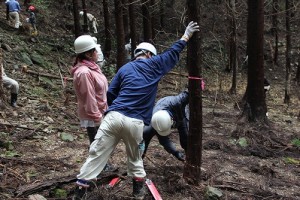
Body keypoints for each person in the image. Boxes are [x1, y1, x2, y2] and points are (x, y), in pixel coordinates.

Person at [74, 21, 199, 200]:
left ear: (137, 54)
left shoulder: (125, 68)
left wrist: (109, 110)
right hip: (135, 123)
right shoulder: (154, 64)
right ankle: (138, 194)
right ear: (149, 54)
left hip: (113, 117)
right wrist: (186, 36)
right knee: (135, 159)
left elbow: (110, 93)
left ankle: (79, 195)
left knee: (95, 156)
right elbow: (173, 52)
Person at [70, 35, 108, 145]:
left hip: (101, 113)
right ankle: (99, 163)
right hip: (95, 118)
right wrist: (98, 119)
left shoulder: (92, 68)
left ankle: (103, 163)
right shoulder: (84, 73)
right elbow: (89, 99)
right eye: (95, 50)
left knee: (101, 146)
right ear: (88, 54)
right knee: (97, 147)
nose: (97, 52)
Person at [143, 90, 189, 162]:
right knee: (145, 135)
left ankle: (190, 156)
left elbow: (187, 94)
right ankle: (136, 163)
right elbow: (163, 140)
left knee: (186, 137)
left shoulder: (177, 102)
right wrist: (175, 153)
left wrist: (198, 86)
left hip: (180, 114)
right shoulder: (156, 122)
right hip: (164, 115)